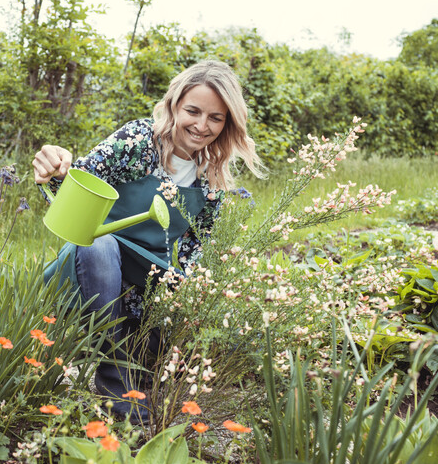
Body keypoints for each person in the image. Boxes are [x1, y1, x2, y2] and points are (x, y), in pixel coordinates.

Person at [33, 60, 265, 423]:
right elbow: (73, 190)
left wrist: (189, 303)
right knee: (103, 244)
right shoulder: (139, 141)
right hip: (88, 268)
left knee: (169, 329)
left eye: (216, 118)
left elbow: (195, 253)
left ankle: (140, 365)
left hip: (147, 284)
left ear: (228, 124)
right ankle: (114, 381)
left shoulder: (211, 177)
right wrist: (53, 165)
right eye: (193, 111)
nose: (202, 126)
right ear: (174, 104)